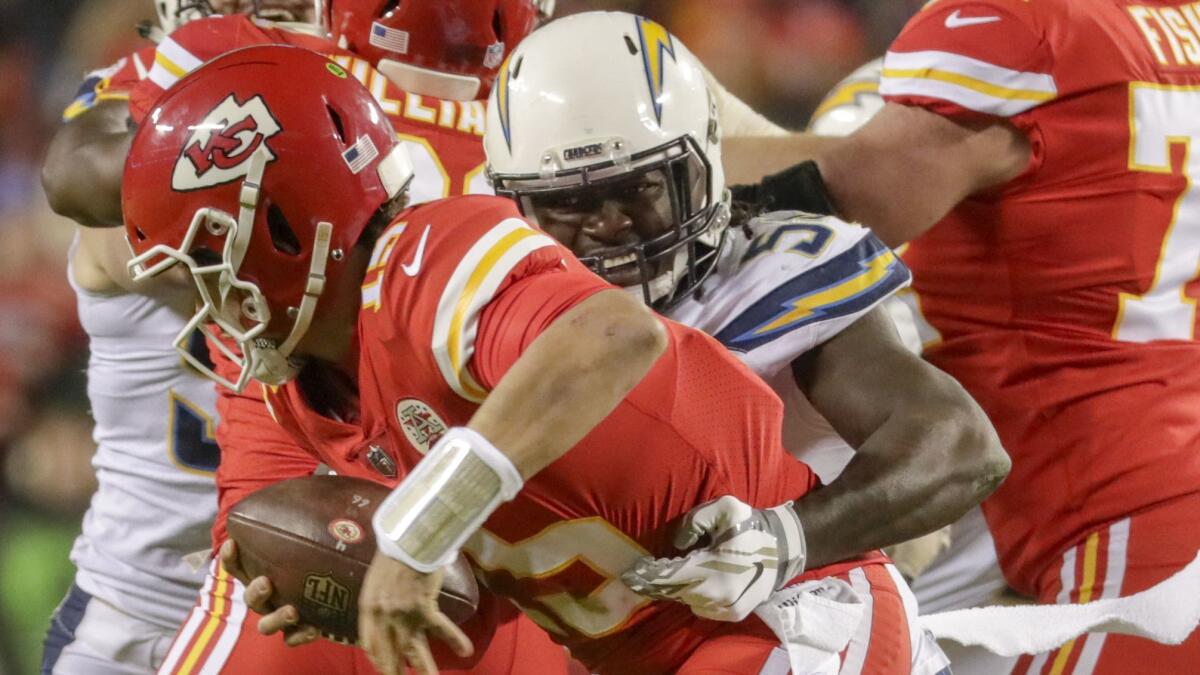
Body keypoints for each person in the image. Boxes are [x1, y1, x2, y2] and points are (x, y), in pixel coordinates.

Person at [123, 43, 933, 675]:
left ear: (291, 227)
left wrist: (419, 528)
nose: (208, 303)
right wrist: (343, 578)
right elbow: (474, 580)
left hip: (797, 619)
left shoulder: (426, 260)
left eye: (210, 264)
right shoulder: (310, 391)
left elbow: (612, 337)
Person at [482, 12, 1005, 669]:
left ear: (704, 163)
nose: (610, 225)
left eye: (641, 187)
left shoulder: (770, 273)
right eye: (569, 203)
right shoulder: (497, 314)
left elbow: (962, 446)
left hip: (804, 633)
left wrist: (788, 535)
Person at [714, 0, 1200, 671]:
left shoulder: (1014, 25)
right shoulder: (1170, 24)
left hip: (1114, 517)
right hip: (1133, 478)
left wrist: (674, 137)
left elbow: (843, 198)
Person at [117, 3, 575, 674]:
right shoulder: (563, 106)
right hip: (499, 551)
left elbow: (80, 177)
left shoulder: (268, 61)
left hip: (299, 507)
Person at [37, 3, 312, 673]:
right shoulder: (131, 108)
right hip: (140, 607)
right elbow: (78, 181)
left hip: (292, 611)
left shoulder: (357, 105)